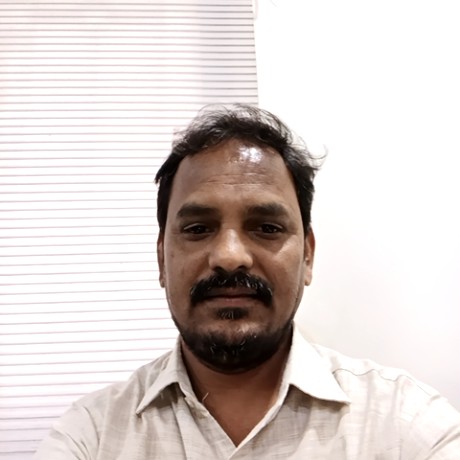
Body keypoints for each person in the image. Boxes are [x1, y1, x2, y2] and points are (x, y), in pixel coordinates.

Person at [34, 105, 460, 459]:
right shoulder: (91, 437)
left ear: (307, 255)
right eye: (198, 229)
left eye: (267, 228)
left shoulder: (407, 425)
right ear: (162, 258)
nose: (229, 256)